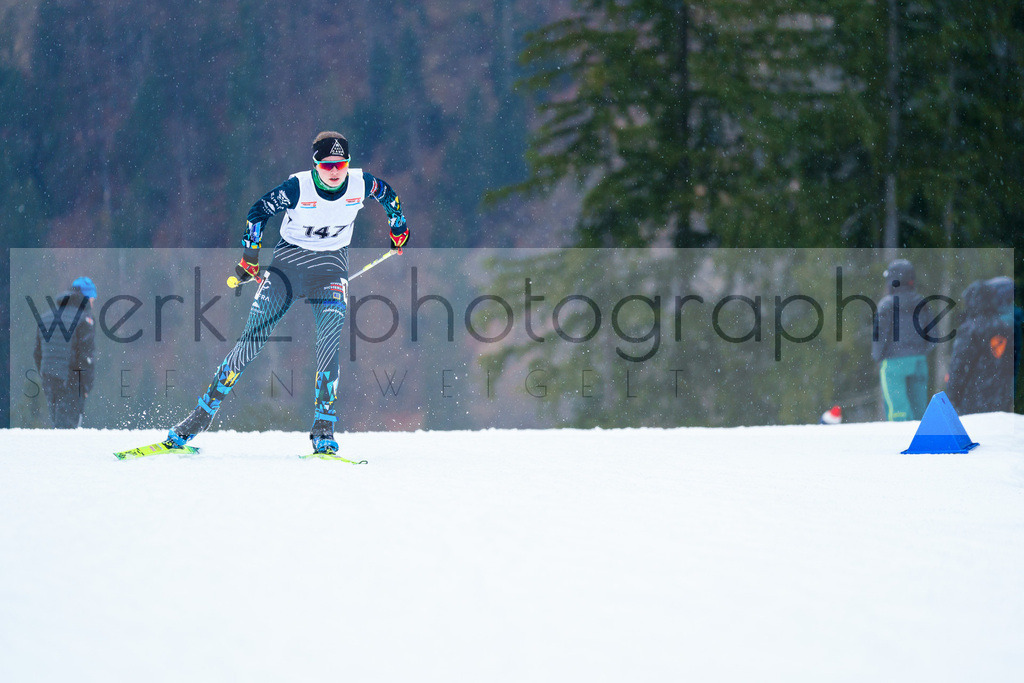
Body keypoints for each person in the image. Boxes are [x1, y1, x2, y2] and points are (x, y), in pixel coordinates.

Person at [164, 131, 408, 457]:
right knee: (250, 341)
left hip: (331, 268)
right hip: (287, 268)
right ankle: (198, 419)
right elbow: (257, 211)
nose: (335, 171)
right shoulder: (297, 187)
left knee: (330, 341)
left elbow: (389, 195)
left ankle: (324, 430)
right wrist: (250, 257)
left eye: (341, 164)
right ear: (316, 165)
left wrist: (398, 227)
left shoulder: (361, 183)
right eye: (327, 165)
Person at [871, 259, 937, 421]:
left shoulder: (886, 304)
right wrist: (920, 352)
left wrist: (878, 357)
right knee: (919, 410)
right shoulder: (923, 303)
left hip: (894, 364)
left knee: (898, 411)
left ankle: (899, 444)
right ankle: (921, 443)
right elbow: (933, 335)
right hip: (919, 361)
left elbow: (880, 337)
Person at [33, 276, 97, 428]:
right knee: (69, 428)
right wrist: (86, 386)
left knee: (57, 424)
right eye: (93, 298)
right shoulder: (83, 319)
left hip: (49, 378)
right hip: (71, 380)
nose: (93, 303)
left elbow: (37, 353)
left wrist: (46, 374)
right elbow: (86, 357)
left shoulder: (46, 317)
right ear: (87, 298)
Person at [945, 279, 1014, 414]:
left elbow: (959, 366)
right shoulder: (1005, 328)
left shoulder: (970, 329)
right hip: (1001, 401)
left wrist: (952, 397)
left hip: (973, 401)